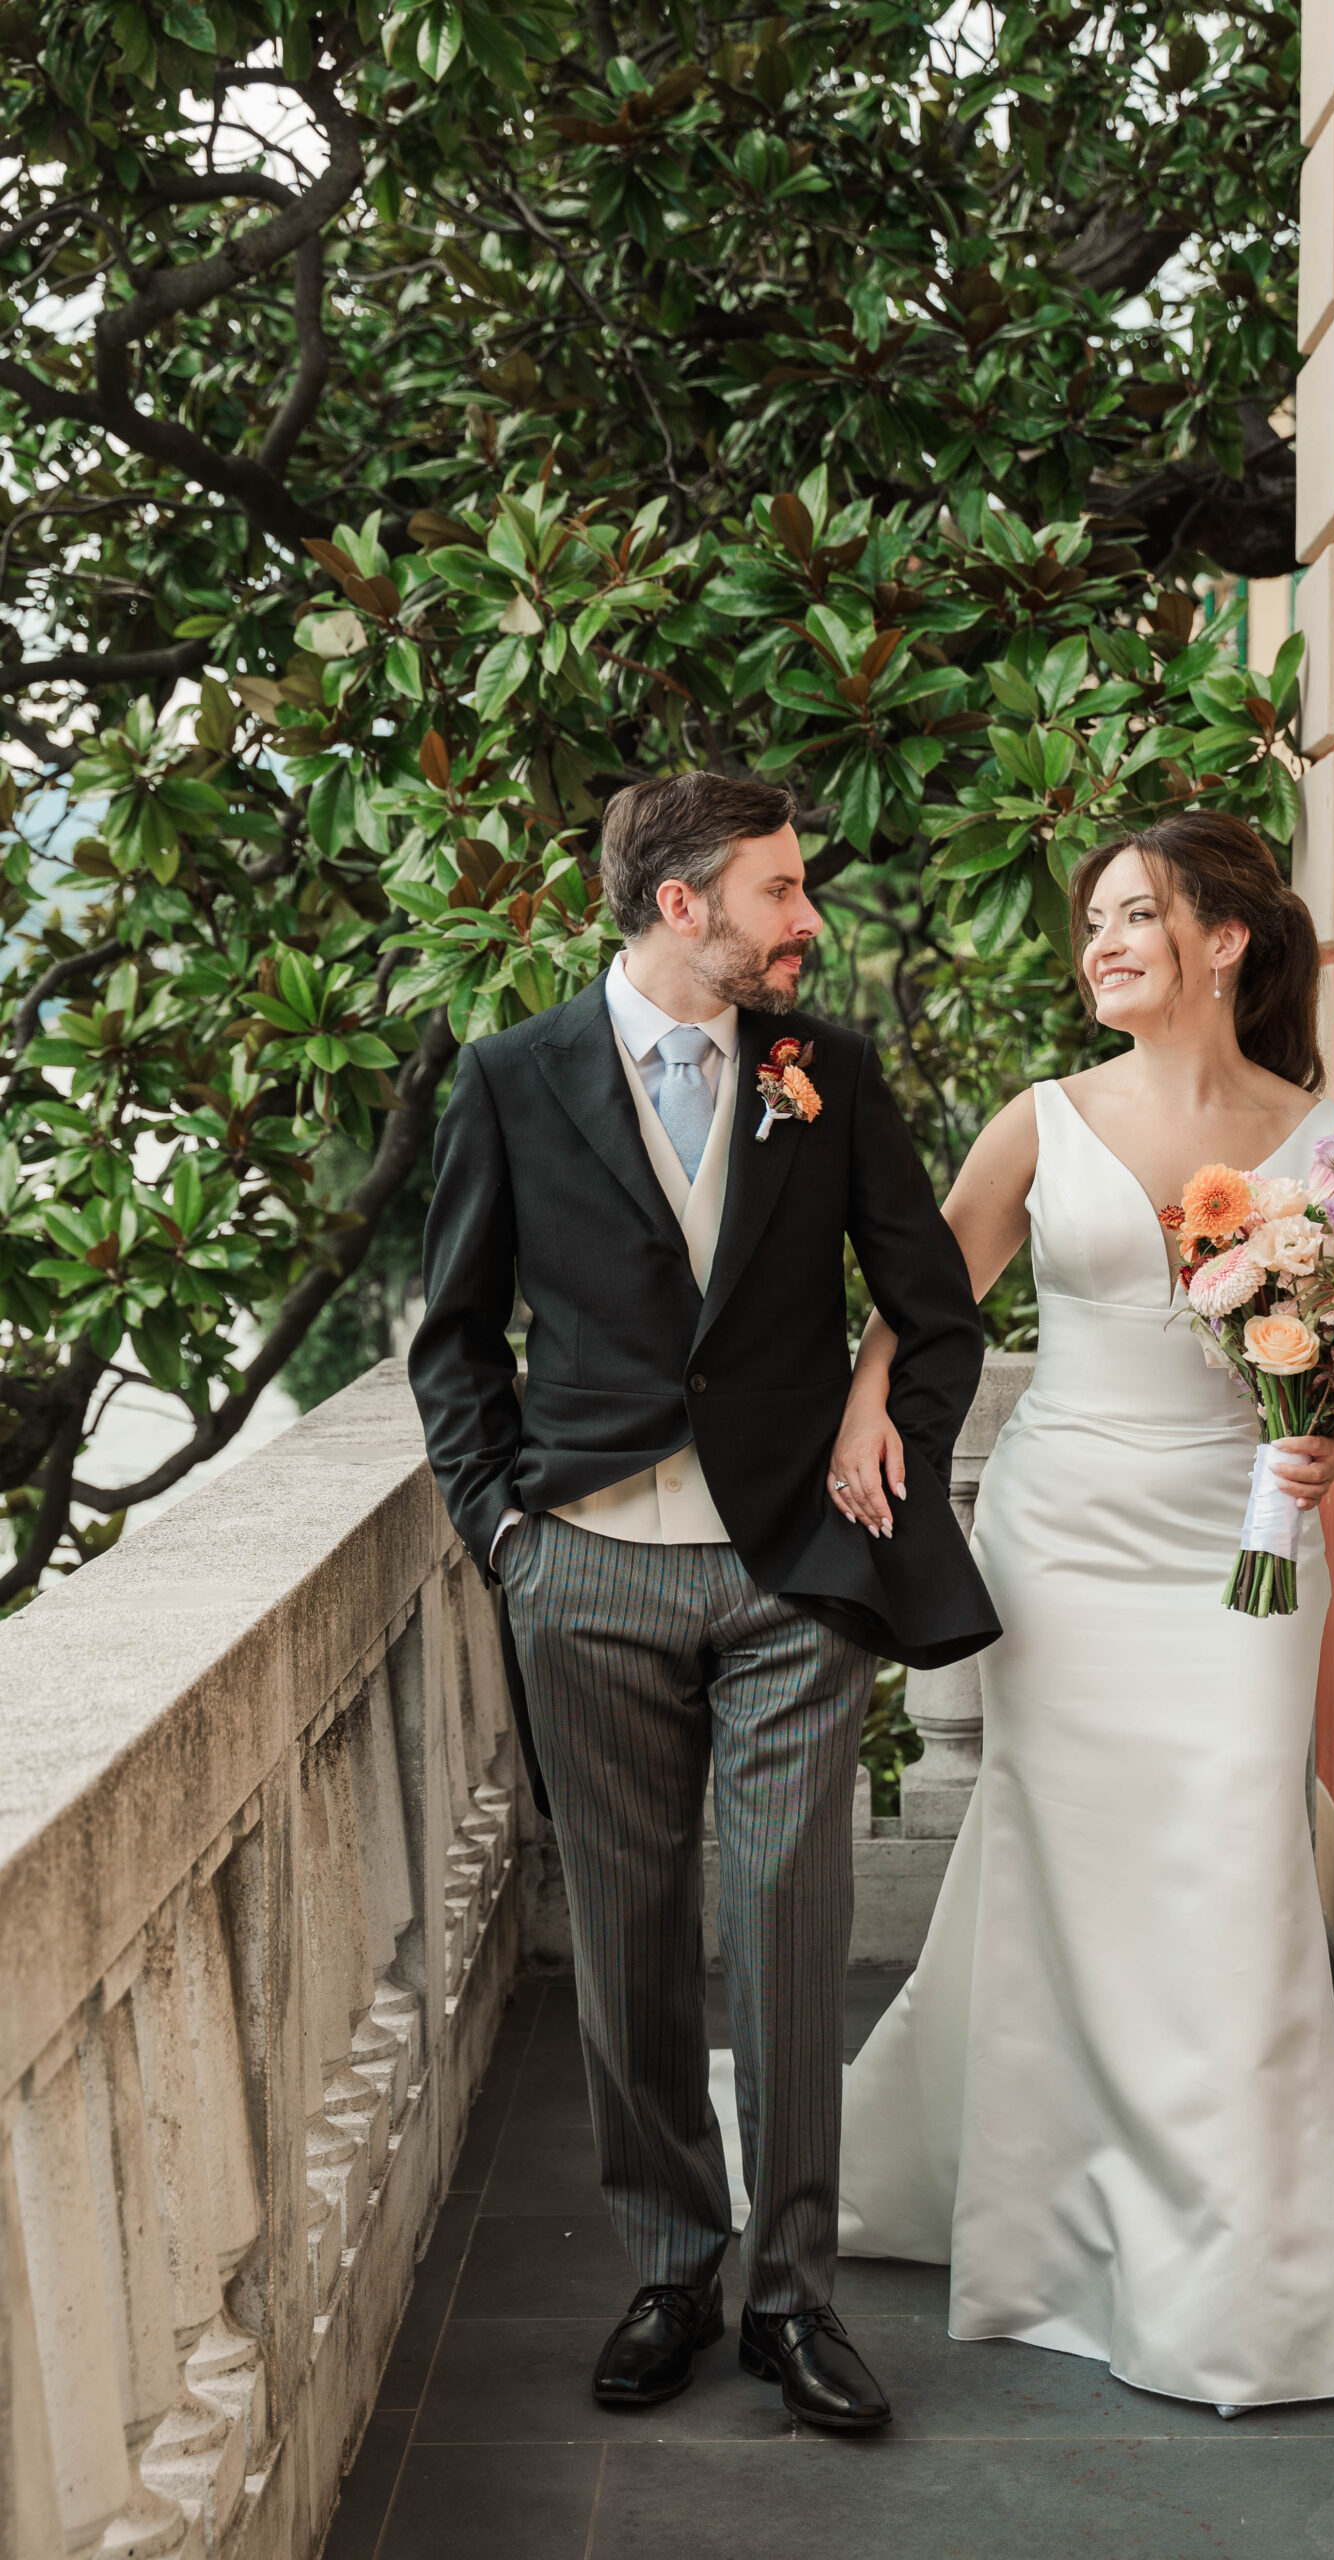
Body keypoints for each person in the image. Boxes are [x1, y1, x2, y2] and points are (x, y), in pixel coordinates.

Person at [408, 770, 997, 2435]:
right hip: (580, 1567)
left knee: (792, 1935)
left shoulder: (831, 1071)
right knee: (628, 1940)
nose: (809, 919)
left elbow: (930, 1307)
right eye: (781, 890)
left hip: (789, 1571)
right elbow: (452, 1343)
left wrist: (887, 1421)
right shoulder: (515, 1077)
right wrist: (508, 1538)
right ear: (685, 904)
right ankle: (674, 2263)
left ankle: (795, 2302)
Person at [827, 812, 1334, 2416]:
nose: (1103, 944)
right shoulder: (1040, 1121)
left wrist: (1331, 1435)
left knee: (1233, 1860)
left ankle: (1241, 2285)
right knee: (1063, 1863)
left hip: (1242, 1542)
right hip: (1065, 1535)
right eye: (1093, 924)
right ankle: (1054, 2219)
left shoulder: (1326, 1142)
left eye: (1137, 914)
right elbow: (927, 1302)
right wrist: (872, 1413)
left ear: (1231, 940)